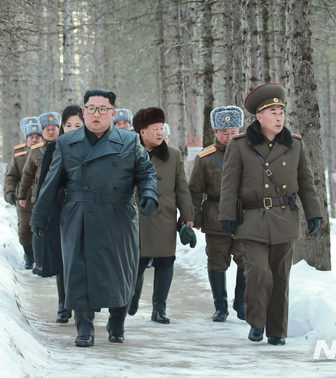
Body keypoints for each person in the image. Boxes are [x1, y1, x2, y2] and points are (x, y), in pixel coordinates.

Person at [31, 89, 159, 347]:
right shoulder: (67, 143)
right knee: (79, 273)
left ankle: (116, 322)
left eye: (102, 109)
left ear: (112, 113)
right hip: (78, 215)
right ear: (84, 111)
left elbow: (146, 173)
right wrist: (39, 216)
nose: (96, 114)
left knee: (121, 274)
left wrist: (149, 194)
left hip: (119, 216)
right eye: (91, 108)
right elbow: (52, 183)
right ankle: (85, 328)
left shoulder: (129, 141)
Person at [219, 82, 323, 346]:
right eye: (273, 113)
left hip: (284, 219)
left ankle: (277, 331)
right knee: (257, 274)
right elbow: (229, 184)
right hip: (252, 221)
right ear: (260, 117)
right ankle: (257, 321)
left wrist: (314, 214)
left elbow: (306, 182)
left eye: (281, 112)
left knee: (280, 278)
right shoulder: (240, 145)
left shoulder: (295, 144)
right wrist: (227, 216)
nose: (279, 118)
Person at [128, 107, 194, 324]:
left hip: (164, 218)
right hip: (136, 220)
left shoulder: (173, 154)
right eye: (154, 129)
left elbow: (182, 188)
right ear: (142, 131)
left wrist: (187, 217)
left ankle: (159, 309)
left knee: (165, 264)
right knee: (136, 264)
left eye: (161, 129)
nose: (159, 133)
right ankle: (132, 297)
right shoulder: (129, 152)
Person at [189, 106, 246, 323]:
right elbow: (194, 191)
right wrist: (193, 217)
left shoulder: (250, 154)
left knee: (246, 260)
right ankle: (220, 306)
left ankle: (241, 302)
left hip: (244, 218)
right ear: (216, 132)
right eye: (224, 132)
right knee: (217, 262)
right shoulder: (206, 158)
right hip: (216, 218)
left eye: (233, 132)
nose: (229, 136)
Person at [31, 105, 84, 324]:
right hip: (60, 212)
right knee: (63, 260)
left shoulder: (91, 147)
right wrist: (41, 213)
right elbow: (45, 183)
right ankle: (63, 305)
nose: (72, 129)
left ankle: (81, 304)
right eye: (68, 125)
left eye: (77, 125)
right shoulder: (55, 148)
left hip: (84, 211)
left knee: (82, 259)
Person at [18, 111, 61, 275]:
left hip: (61, 196)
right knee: (39, 229)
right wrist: (22, 196)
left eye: (54, 128)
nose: (51, 132)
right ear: (42, 131)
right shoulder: (36, 151)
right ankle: (40, 262)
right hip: (40, 197)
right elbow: (27, 175)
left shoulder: (65, 146)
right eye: (47, 129)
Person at [3, 117, 42, 269]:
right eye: (31, 137)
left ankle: (40, 258)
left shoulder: (43, 151)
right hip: (24, 198)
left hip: (40, 197)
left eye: (37, 137)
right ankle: (29, 256)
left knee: (40, 230)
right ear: (26, 139)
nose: (34, 140)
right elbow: (11, 175)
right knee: (24, 230)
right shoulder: (19, 154)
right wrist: (10, 192)